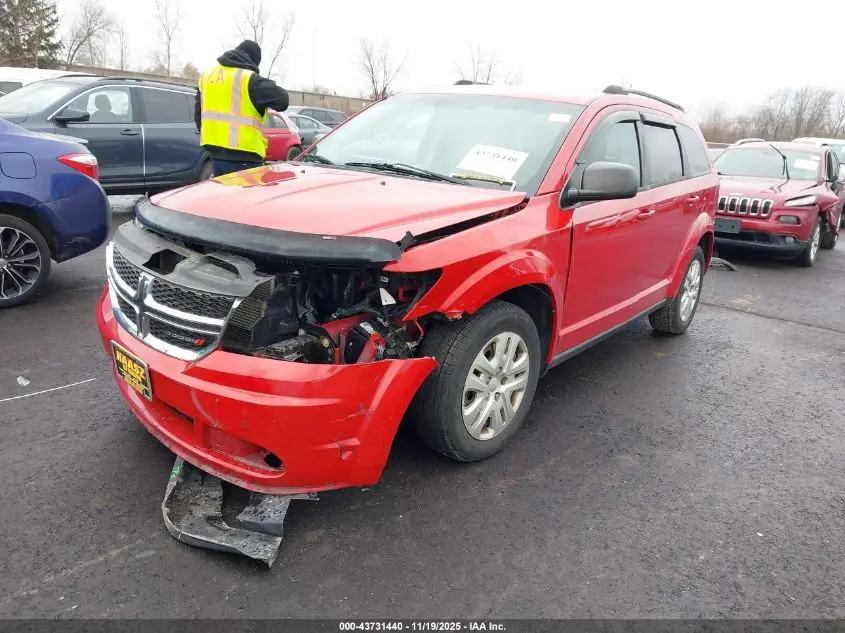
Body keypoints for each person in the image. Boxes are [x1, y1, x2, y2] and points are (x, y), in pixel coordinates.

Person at [195, 40, 289, 177]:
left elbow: (198, 114)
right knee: (247, 192)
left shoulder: (206, 76)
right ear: (253, 60)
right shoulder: (248, 78)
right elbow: (283, 100)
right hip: (245, 157)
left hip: (215, 156)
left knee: (223, 191)